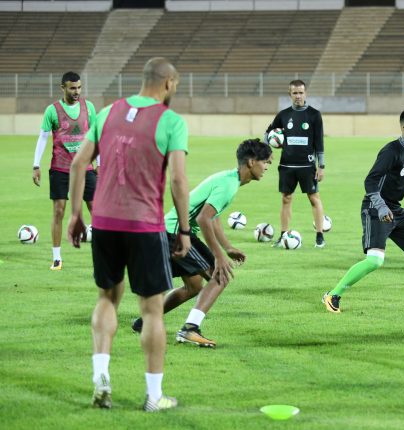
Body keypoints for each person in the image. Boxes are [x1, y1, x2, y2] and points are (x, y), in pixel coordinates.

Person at [67, 57, 191, 412]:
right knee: (152, 311)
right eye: (176, 86)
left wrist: (77, 215)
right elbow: (179, 181)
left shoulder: (107, 113)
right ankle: (153, 397)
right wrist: (183, 229)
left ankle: (101, 380)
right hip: (144, 225)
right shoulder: (171, 121)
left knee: (107, 298)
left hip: (104, 221)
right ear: (168, 83)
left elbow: (79, 163)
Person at [132, 139, 273, 348]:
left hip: (170, 231)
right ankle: (190, 329)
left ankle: (146, 321)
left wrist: (228, 247)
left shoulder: (229, 179)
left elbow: (213, 217)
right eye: (266, 162)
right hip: (176, 234)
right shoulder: (228, 185)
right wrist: (219, 256)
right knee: (220, 276)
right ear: (252, 162)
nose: (267, 167)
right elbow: (203, 219)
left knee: (194, 286)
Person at [322, 108, 404, 313]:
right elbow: (370, 180)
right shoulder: (391, 151)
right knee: (375, 260)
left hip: (395, 209)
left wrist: (390, 207)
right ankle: (333, 294)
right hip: (376, 208)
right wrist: (381, 206)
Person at [32, 71, 97, 270]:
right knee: (59, 211)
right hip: (60, 169)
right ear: (63, 88)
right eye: (72, 88)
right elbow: (43, 138)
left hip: (85, 167)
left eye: (79, 88)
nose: (76, 92)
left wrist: (100, 163)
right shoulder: (52, 110)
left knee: (97, 210)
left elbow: (96, 136)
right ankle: (57, 258)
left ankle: (104, 256)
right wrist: (36, 165)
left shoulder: (89, 107)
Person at [265, 80, 327, 248]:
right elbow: (268, 133)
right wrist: (270, 147)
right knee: (286, 199)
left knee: (314, 198)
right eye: (295, 93)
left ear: (305, 93)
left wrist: (321, 166)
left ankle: (320, 235)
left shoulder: (314, 115)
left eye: (301, 93)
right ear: (290, 94)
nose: (298, 96)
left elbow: (319, 143)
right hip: (286, 165)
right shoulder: (283, 115)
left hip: (307, 165)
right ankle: (283, 235)